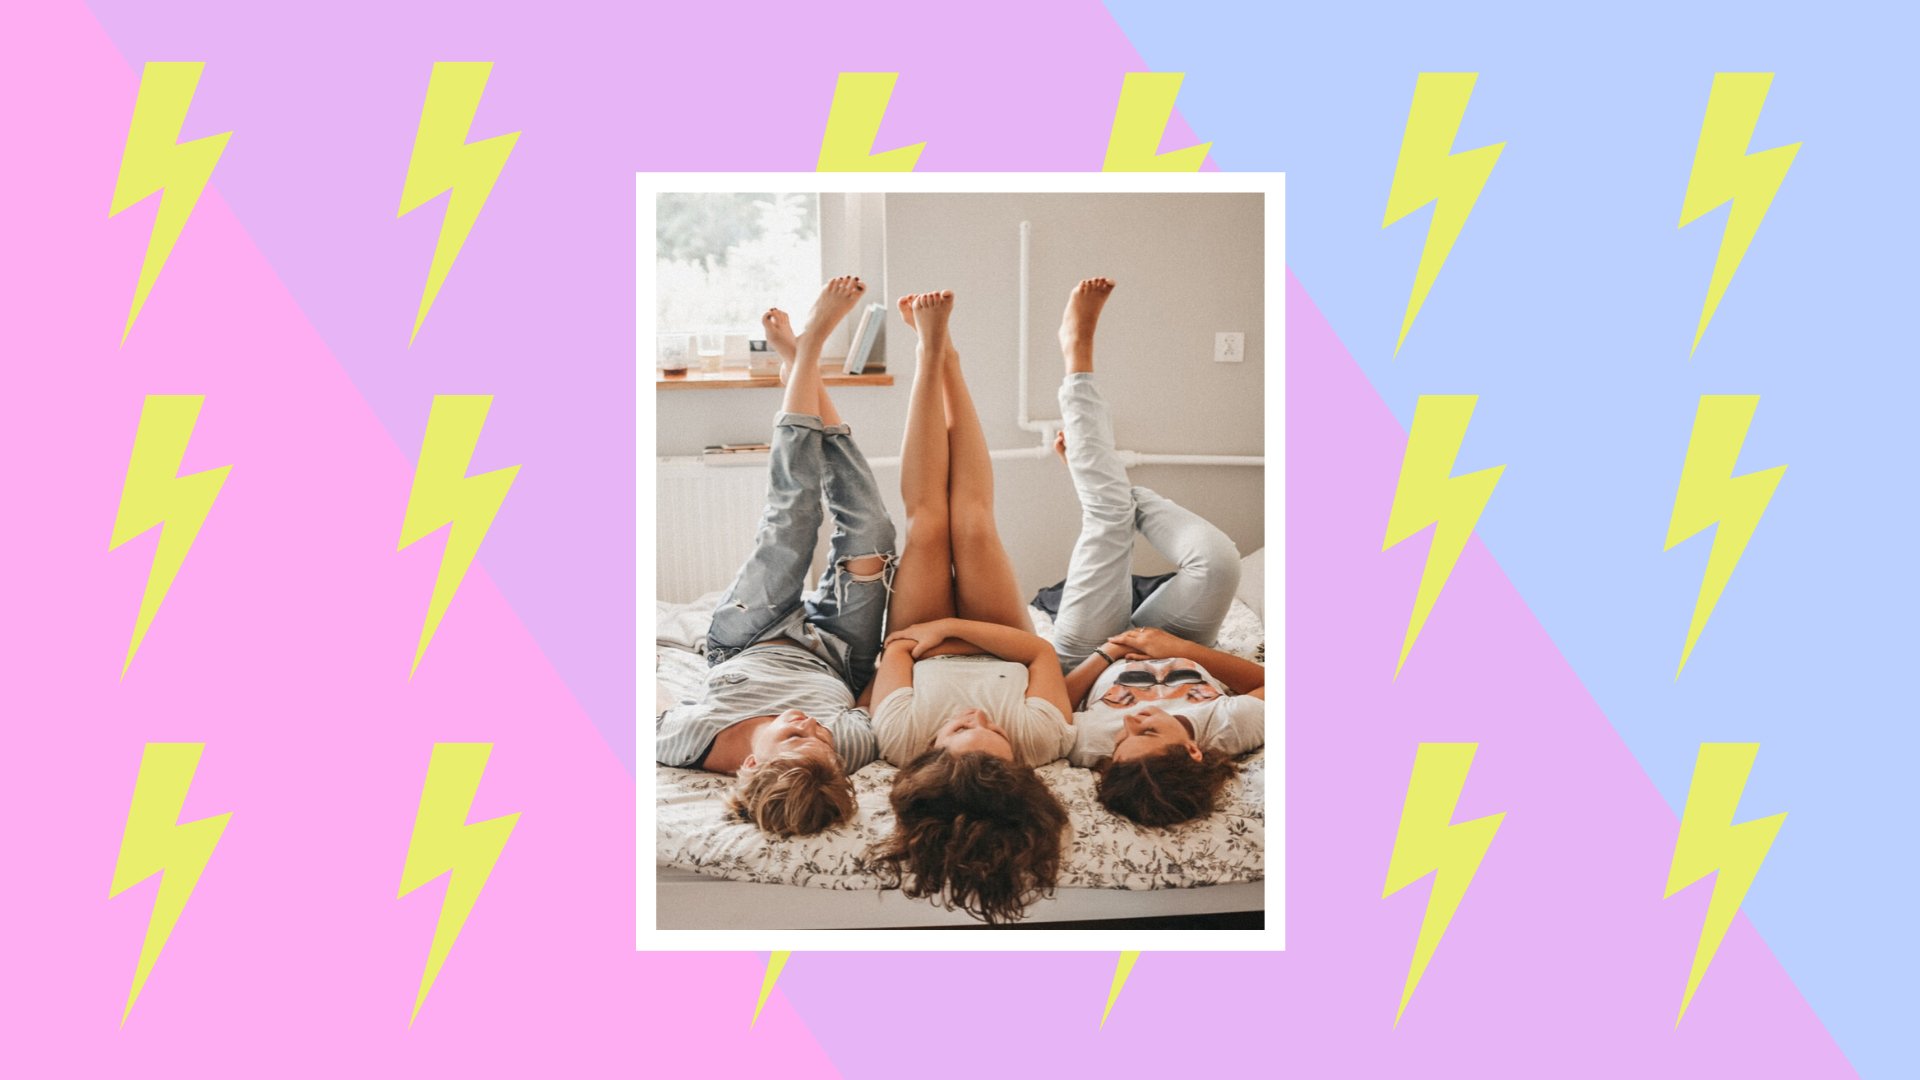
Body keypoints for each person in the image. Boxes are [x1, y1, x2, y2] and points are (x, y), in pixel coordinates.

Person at [655, 276, 892, 837]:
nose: (810, 727)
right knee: (874, 535)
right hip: (836, 653)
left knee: (792, 520)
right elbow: (868, 698)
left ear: (752, 763)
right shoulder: (843, 753)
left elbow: (655, 698)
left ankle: (806, 352)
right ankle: (801, 361)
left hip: (748, 636)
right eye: (820, 742)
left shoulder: (688, 743)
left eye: (795, 736)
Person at [867, 289, 1074, 925]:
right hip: (999, 634)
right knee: (976, 524)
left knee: (929, 525)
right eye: (990, 727)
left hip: (917, 638)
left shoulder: (899, 737)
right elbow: (1041, 650)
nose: (976, 714)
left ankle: (929, 351)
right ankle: (950, 359)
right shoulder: (1040, 740)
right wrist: (958, 626)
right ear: (1016, 763)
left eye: (962, 726)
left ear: (932, 750)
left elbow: (895, 649)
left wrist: (928, 635)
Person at [1047, 278, 1266, 827]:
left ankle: (1077, 356)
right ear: (1193, 751)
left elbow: (1049, 703)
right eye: (1149, 731)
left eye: (1124, 739)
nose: (1133, 722)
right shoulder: (1228, 730)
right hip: (1185, 644)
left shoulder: (1096, 743)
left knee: (1107, 519)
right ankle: (1096, 478)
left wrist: (1109, 656)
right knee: (1219, 560)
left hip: (1092, 651)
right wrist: (1170, 644)